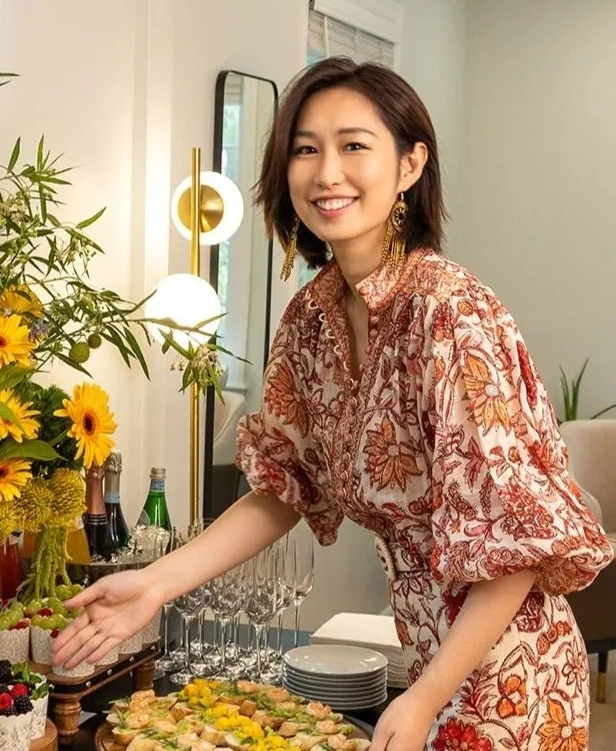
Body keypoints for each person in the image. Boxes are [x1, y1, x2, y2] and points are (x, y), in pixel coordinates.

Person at [53, 57, 613, 750]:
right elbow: (283, 488)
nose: (327, 173)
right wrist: (154, 585)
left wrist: (426, 696)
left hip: (512, 677)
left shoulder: (450, 312)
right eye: (306, 149)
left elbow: (515, 542)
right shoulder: (311, 318)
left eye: (354, 146)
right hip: (427, 660)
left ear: (409, 165)